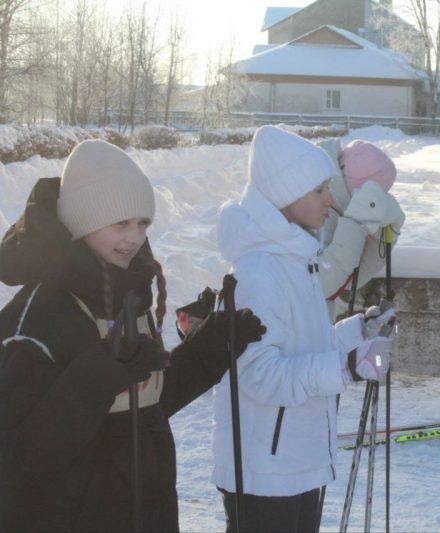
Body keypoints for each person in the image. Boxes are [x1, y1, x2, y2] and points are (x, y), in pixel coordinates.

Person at [0, 139, 266, 531]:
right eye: (120, 223)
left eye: (143, 223)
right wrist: (101, 374)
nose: (135, 237)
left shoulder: (128, 296)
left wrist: (211, 346)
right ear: (82, 221)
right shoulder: (38, 316)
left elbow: (146, 407)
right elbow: (22, 457)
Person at [213, 126, 396, 532]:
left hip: (294, 459)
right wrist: (346, 368)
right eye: (319, 191)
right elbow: (260, 374)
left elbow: (304, 345)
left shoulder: (297, 256)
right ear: (285, 195)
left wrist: (358, 332)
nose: (331, 201)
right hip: (264, 470)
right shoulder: (259, 272)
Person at [316, 138, 405, 318]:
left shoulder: (337, 207)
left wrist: (380, 236)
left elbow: (351, 278)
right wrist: (355, 221)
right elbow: (320, 286)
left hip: (318, 330)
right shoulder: (313, 207)